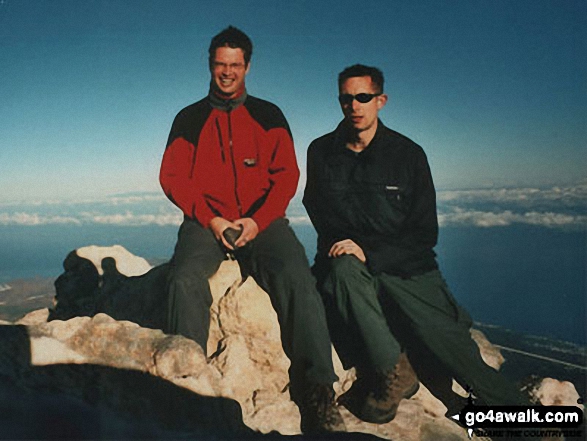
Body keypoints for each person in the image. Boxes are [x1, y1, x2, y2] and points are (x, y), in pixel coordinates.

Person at [303, 64, 530, 425]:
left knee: (453, 352)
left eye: (363, 97)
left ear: (381, 100)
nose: (355, 106)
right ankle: (395, 372)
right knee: (341, 274)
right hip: (351, 263)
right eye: (347, 99)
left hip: (407, 267)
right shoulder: (321, 152)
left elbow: (425, 232)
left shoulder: (407, 154)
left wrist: (372, 253)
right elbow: (315, 206)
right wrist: (346, 250)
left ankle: (534, 423)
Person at [159, 26, 345, 434]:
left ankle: (317, 390)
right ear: (210, 64)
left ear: (247, 66)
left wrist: (257, 220)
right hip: (206, 222)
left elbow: (286, 176)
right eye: (220, 64)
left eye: (235, 65)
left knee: (297, 279)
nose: (227, 72)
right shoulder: (189, 119)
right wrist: (213, 220)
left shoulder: (268, 115)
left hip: (263, 221)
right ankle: (187, 388)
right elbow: (173, 176)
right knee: (184, 279)